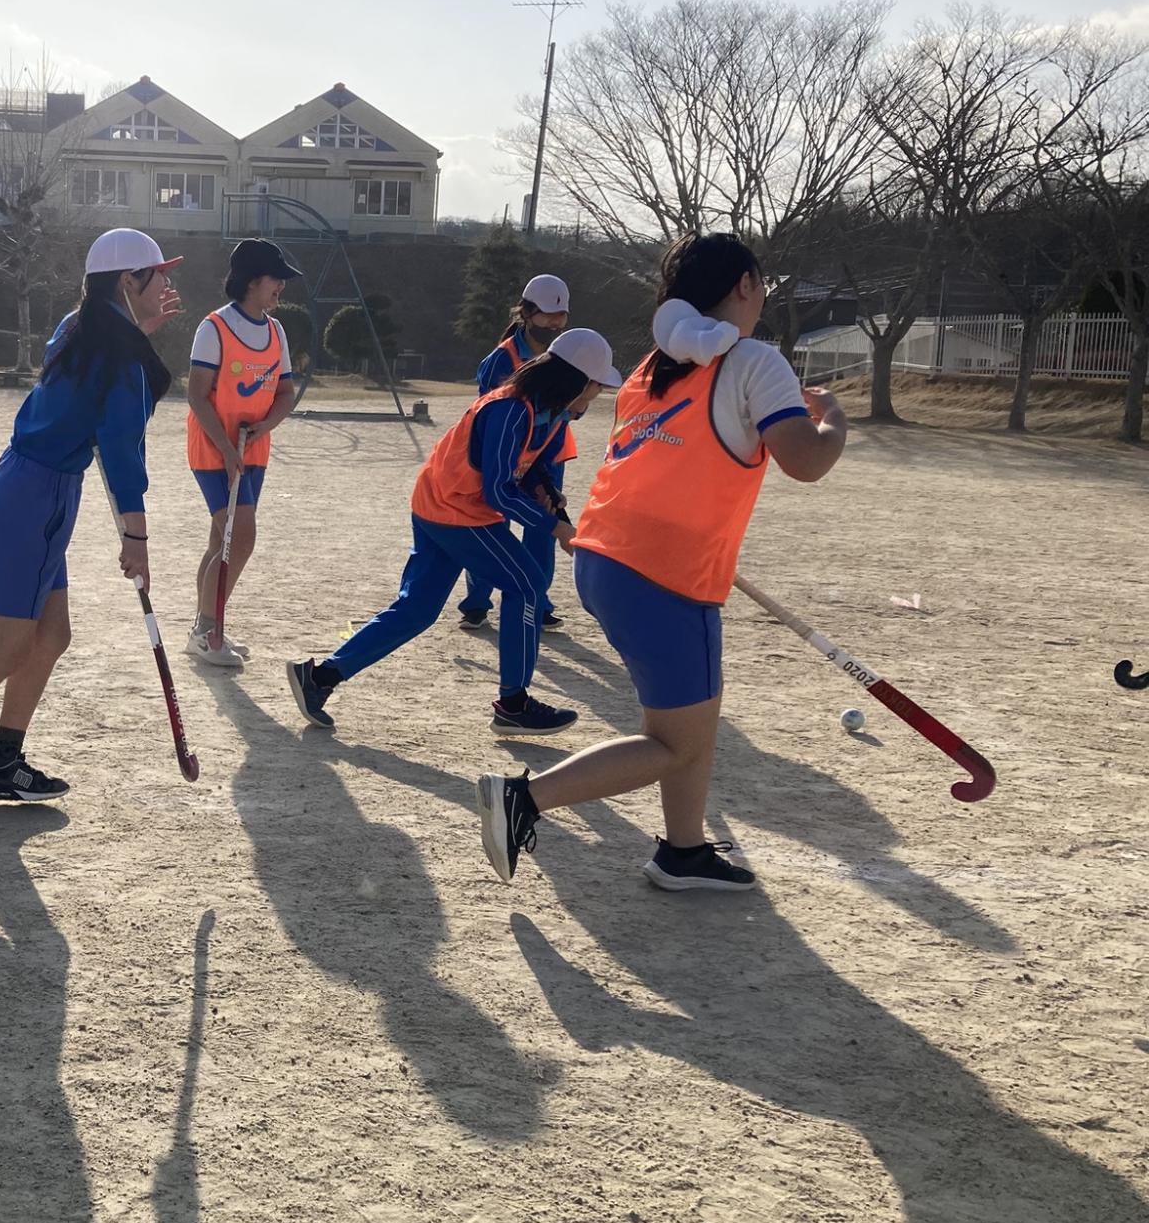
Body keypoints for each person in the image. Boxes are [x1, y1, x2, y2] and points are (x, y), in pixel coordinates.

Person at [477, 233, 849, 893]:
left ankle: (683, 851)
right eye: (762, 282)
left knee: (693, 716)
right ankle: (523, 800)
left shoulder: (652, 368)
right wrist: (834, 421)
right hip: (665, 575)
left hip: (607, 558)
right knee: (675, 739)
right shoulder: (757, 362)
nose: (764, 294)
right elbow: (806, 461)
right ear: (743, 286)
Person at [0, 228, 185, 820]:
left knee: (51, 636)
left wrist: (139, 332)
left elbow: (99, 396)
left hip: (31, 492)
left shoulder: (79, 329)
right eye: (159, 274)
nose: (168, 284)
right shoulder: (116, 361)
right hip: (34, 501)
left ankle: (3, 765)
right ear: (129, 282)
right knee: (9, 645)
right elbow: (123, 457)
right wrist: (137, 539)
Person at [286, 328, 622, 736]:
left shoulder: (547, 410)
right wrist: (556, 528)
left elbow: (524, 463)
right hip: (456, 511)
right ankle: (514, 704)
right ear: (575, 381)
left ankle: (319, 679)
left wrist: (544, 490)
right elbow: (497, 491)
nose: (594, 398)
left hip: (440, 503)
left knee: (418, 609)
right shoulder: (511, 409)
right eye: (596, 389)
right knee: (528, 585)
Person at [184, 237, 302, 668]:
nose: (282, 287)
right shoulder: (213, 328)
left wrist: (267, 426)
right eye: (277, 279)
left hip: (253, 451)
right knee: (242, 536)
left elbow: (286, 391)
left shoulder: (275, 331)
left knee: (222, 539)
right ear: (253, 281)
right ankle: (206, 631)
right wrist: (226, 449)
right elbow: (196, 395)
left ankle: (204, 627)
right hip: (215, 451)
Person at [458, 273, 573, 633]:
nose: (555, 323)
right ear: (526, 313)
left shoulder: (566, 354)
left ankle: (537, 600)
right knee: (493, 524)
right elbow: (490, 414)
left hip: (547, 454)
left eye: (561, 315)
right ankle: (477, 602)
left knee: (544, 528)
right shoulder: (500, 361)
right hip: (506, 453)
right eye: (547, 315)